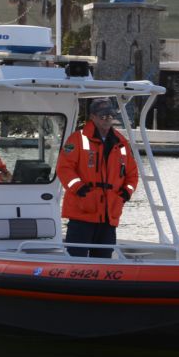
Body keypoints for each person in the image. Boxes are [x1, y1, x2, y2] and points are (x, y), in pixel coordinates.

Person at [56, 98, 138, 258]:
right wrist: (80, 189)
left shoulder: (121, 142)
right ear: (92, 117)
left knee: (103, 259)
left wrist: (125, 194)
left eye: (110, 116)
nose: (107, 119)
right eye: (103, 116)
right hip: (82, 213)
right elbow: (64, 168)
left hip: (109, 215)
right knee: (75, 258)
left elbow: (132, 174)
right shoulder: (77, 139)